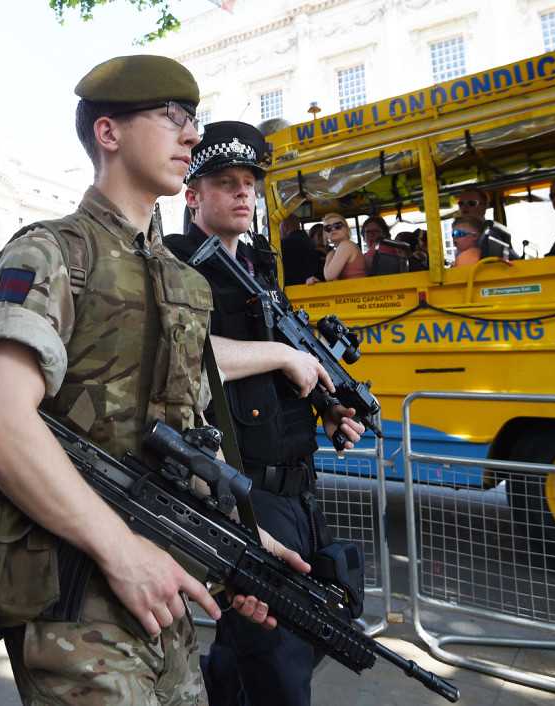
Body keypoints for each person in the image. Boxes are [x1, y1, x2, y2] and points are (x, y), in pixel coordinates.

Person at [0, 55, 303, 706]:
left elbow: (195, 438)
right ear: (108, 133)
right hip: (73, 595)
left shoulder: (185, 285)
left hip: (158, 601)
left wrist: (239, 545)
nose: (192, 136)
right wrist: (124, 553)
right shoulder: (52, 252)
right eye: (173, 116)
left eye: (193, 119)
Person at [164, 120, 365, 706]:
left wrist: (326, 408)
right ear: (193, 194)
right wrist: (283, 354)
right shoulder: (175, 264)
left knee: (314, 621)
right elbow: (186, 360)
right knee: (280, 657)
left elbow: (285, 370)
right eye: (225, 182)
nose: (244, 193)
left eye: (250, 182)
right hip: (243, 488)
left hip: (298, 486)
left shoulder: (260, 267)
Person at [306, 212, 368, 283]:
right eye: (328, 228)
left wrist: (329, 255)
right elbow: (333, 281)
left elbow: (329, 276)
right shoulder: (338, 250)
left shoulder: (346, 245)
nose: (333, 229)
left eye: (338, 225)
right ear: (326, 234)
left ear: (347, 230)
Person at [279, 213, 324, 286]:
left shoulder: (283, 244)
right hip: (312, 286)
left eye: (279, 227)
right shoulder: (309, 242)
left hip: (291, 289)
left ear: (285, 227)